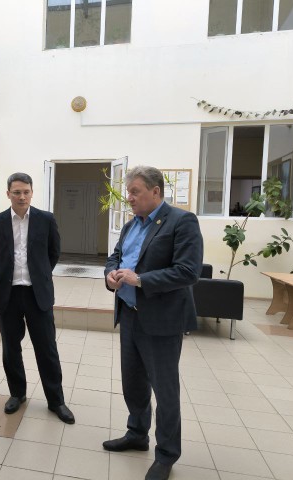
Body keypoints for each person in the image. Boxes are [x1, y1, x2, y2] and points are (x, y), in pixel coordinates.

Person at [103, 166, 203, 480]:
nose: (129, 198)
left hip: (161, 321)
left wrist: (141, 279)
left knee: (165, 390)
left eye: (135, 192)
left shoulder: (182, 222)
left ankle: (167, 454)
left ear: (155, 191)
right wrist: (110, 274)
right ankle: (137, 434)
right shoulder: (130, 225)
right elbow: (115, 257)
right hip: (129, 315)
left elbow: (188, 271)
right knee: (132, 382)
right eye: (128, 192)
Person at [0, 172, 75, 424]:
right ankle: (17, 394)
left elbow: (54, 252)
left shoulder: (46, 219)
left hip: (37, 294)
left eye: (26, 192)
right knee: (11, 348)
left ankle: (56, 401)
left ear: (32, 193)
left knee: (47, 348)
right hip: (8, 294)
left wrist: (39, 273)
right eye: (17, 192)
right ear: (8, 194)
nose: (22, 197)